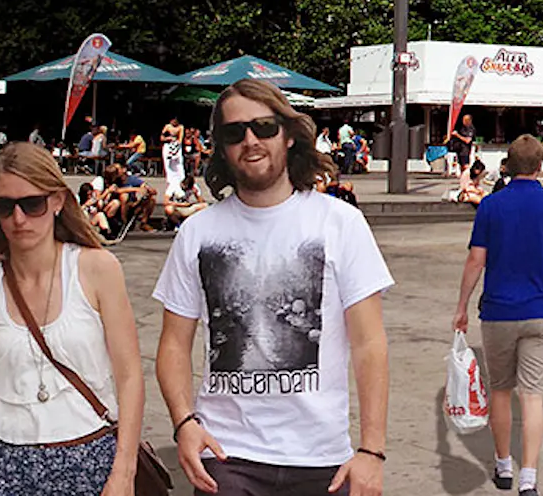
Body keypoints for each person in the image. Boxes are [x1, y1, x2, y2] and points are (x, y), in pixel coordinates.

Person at [153, 78, 393, 496]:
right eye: (234, 132)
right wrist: (184, 423)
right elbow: (174, 343)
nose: (250, 140)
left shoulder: (340, 223)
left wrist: (372, 451)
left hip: (321, 459)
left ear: (287, 134)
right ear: (222, 148)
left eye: (263, 126)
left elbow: (370, 343)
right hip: (226, 459)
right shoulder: (197, 233)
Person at [0, 144, 145, 496]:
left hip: (90, 454)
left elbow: (129, 376)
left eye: (32, 204)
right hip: (6, 462)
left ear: (56, 201)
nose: (19, 219)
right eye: (5, 207)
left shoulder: (96, 269)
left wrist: (124, 472)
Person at [453, 134, 543, 496]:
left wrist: (461, 305)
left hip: (498, 312)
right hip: (540, 311)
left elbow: (477, 259)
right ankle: (529, 478)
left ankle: (504, 465)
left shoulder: (491, 206)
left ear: (507, 165)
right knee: (533, 394)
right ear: (540, 166)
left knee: (501, 391)